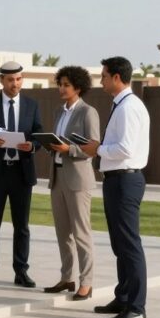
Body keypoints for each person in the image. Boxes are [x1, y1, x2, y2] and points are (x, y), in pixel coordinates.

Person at [80, 56, 150, 318]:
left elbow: (126, 149)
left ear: (117, 78)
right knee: (120, 244)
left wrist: (96, 149)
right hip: (116, 179)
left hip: (125, 180)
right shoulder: (122, 105)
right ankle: (123, 297)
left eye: (104, 76)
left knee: (129, 244)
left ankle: (136, 306)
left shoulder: (129, 107)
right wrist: (99, 146)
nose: (101, 81)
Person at [0, 61, 43, 289]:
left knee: (21, 226)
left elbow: (39, 134)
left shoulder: (32, 105)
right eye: (11, 80)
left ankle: (21, 272)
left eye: (19, 79)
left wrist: (31, 146)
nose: (16, 83)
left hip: (22, 173)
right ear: (1, 80)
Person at [41, 65, 100, 302]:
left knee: (81, 234)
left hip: (78, 180)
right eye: (60, 84)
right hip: (57, 177)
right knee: (62, 232)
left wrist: (69, 149)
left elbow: (94, 147)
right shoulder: (58, 111)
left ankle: (87, 282)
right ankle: (67, 277)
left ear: (78, 87)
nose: (61, 88)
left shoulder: (88, 112)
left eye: (66, 84)